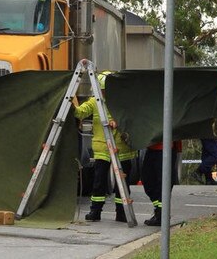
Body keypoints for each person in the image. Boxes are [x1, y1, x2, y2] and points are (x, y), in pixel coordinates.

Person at [73, 71, 137, 223]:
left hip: (122, 150)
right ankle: (95, 212)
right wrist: (71, 105)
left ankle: (122, 213)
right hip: (103, 149)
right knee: (99, 182)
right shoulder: (94, 102)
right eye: (101, 90)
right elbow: (80, 113)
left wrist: (118, 123)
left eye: (105, 90)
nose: (103, 93)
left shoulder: (124, 103)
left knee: (122, 184)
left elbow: (133, 120)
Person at [141, 140, 181, 226]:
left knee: (163, 183)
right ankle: (160, 212)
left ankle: (161, 215)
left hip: (167, 148)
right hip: (152, 146)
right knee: (148, 180)